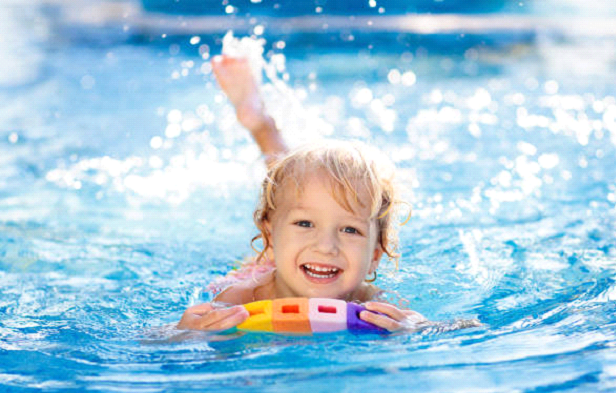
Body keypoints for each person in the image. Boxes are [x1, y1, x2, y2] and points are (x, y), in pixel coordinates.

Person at [177, 55, 464, 333]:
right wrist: (186, 331)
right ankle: (261, 124)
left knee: (296, 194)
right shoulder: (240, 298)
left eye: (350, 229)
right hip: (265, 263)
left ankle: (263, 128)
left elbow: (462, 328)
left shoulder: (375, 303)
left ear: (375, 256)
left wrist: (417, 327)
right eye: (305, 224)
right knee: (287, 189)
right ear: (268, 237)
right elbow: (155, 341)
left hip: (289, 251)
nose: (326, 246)